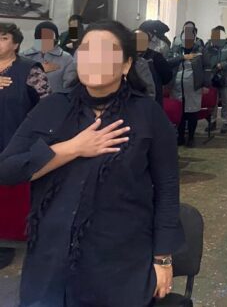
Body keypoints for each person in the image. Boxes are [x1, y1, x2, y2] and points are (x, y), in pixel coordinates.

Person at [0, 20, 184, 305]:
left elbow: (167, 188)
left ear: (126, 64)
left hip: (119, 261)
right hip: (52, 260)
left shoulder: (147, 114)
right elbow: (8, 169)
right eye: (86, 50)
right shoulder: (53, 107)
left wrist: (162, 258)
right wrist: (72, 148)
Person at [0, 22, 50, 270]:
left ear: (16, 44)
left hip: (13, 139)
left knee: (10, 197)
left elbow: (47, 105)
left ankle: (6, 243)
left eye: (3, 38)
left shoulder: (30, 70)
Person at [168, 21, 206, 147]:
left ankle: (191, 137)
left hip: (193, 86)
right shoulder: (175, 49)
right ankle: (180, 137)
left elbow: (206, 68)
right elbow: (167, 62)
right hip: (177, 86)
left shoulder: (200, 50)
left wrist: (206, 84)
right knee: (180, 112)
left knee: (192, 112)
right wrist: (182, 57)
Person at [203, 26, 227, 133]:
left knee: (226, 102)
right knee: (212, 101)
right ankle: (212, 121)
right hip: (212, 78)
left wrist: (223, 65)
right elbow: (204, 59)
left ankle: (225, 122)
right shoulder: (208, 45)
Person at [22, 21, 77, 91]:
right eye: (41, 37)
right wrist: (39, 70)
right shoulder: (23, 57)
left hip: (56, 97)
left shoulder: (67, 59)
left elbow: (69, 86)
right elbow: (17, 81)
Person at [135, 29, 172, 106]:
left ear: (148, 42)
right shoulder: (127, 56)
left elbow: (167, 76)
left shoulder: (156, 57)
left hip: (154, 98)